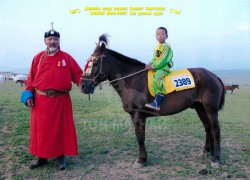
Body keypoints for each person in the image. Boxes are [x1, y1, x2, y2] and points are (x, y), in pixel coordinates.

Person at [20, 23, 83, 170]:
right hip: (41, 101)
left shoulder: (66, 58)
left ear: (59, 41)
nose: (52, 41)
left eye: (55, 39)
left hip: (61, 101)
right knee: (41, 131)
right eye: (49, 39)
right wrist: (28, 95)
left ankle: (61, 157)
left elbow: (78, 75)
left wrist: (84, 85)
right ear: (45, 42)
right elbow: (30, 80)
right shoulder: (37, 58)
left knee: (61, 130)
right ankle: (41, 157)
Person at [145, 27, 173, 111]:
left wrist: (153, 66)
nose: (160, 36)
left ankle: (157, 103)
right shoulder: (157, 47)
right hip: (157, 67)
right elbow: (155, 58)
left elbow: (162, 60)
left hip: (163, 67)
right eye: (158, 34)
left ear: (166, 36)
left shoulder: (166, 46)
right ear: (155, 36)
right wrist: (150, 63)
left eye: (162, 34)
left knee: (157, 79)